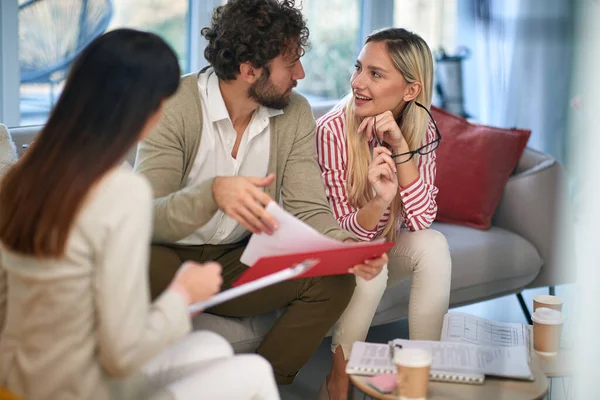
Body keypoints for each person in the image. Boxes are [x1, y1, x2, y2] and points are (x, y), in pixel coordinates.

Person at [0, 29, 280, 400]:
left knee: (208, 347)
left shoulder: (26, 172)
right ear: (146, 110)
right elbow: (123, 354)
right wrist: (184, 292)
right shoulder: (119, 193)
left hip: (22, 379)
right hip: (80, 386)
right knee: (256, 371)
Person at [133, 0, 388, 386]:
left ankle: (258, 384)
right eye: (291, 64)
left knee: (335, 280)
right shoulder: (174, 105)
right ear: (249, 69)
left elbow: (307, 207)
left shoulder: (295, 112)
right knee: (135, 265)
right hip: (168, 255)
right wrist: (213, 194)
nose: (301, 74)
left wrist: (343, 247)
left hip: (235, 259)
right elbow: (148, 216)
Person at [316, 28, 452, 399]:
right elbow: (343, 234)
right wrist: (379, 201)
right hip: (334, 253)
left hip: (379, 247)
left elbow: (422, 221)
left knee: (433, 244)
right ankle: (337, 383)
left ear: (411, 91)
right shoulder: (331, 131)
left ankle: (421, 380)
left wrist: (400, 146)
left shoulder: (421, 131)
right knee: (372, 267)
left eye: (375, 74)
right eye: (359, 68)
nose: (357, 82)